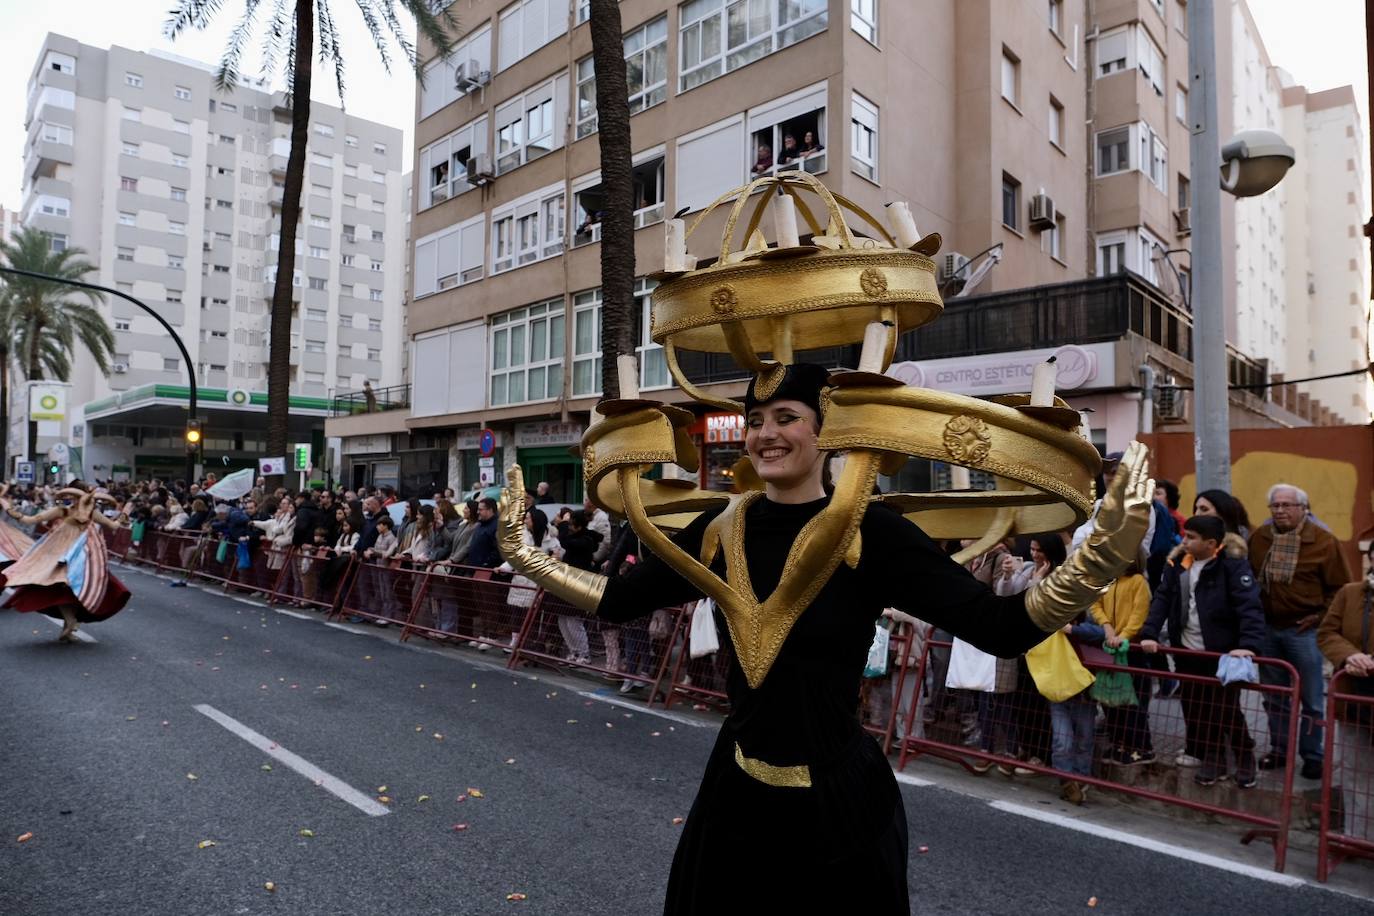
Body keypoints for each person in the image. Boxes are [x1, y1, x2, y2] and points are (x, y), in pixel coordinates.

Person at [494, 363, 1153, 915]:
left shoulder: (873, 533)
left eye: (785, 416)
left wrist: (1095, 562)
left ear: (824, 431)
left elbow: (1001, 629)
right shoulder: (722, 529)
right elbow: (618, 601)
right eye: (754, 421)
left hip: (840, 809)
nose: (764, 434)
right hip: (736, 800)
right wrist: (525, 556)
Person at [1140, 515, 1266, 787]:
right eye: (1185, 536)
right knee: (1197, 706)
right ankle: (1214, 757)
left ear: (1211, 543)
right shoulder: (1178, 564)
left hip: (1222, 653)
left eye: (1192, 537)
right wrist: (1149, 633)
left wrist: (1248, 645)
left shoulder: (1232, 567)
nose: (1184, 541)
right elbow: (1162, 598)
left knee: (1226, 708)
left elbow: (1249, 607)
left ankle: (1244, 756)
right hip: (1187, 650)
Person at [1248, 483, 1353, 781]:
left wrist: (1319, 617)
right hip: (1269, 628)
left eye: (1287, 506)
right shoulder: (1260, 538)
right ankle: (1280, 750)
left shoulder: (1323, 541)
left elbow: (1341, 589)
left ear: (1303, 509)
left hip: (1304, 631)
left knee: (1311, 699)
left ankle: (1313, 755)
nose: (1280, 511)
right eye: (1275, 506)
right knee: (1274, 696)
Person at [1, 485, 132, 642]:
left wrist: (124, 513)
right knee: (67, 589)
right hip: (65, 556)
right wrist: (10, 510)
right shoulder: (64, 511)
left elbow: (31, 520)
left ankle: (68, 625)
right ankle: (69, 623)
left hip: (77, 556)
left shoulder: (74, 512)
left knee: (66, 589)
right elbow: (31, 519)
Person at [1317, 539, 1374, 841]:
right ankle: (1359, 838)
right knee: (1356, 771)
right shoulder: (1351, 593)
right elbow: (1328, 632)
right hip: (1354, 698)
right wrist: (1348, 655)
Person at [1090, 557, 1155, 766]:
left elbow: (1139, 613)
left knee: (1133, 699)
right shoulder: (1106, 580)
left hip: (1130, 648)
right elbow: (1095, 604)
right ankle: (1118, 742)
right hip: (1110, 644)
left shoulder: (1138, 581)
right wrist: (1107, 626)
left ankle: (1141, 747)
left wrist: (1124, 636)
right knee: (1111, 697)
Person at [1051, 611, 1106, 804]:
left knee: (1085, 738)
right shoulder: (1055, 604)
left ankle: (1082, 780)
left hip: (1084, 687)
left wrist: (1072, 630)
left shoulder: (1092, 608)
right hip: (1058, 682)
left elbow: (1105, 632)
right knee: (1061, 741)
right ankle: (1067, 783)